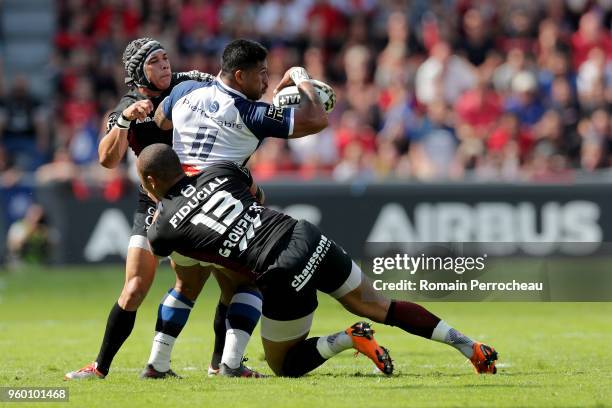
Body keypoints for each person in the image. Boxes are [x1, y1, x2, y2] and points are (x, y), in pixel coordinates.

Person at [137, 144, 499, 377]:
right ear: (181, 168)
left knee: (284, 364)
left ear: (151, 181)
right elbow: (256, 195)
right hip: (305, 235)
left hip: (279, 270)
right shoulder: (219, 170)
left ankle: (349, 338)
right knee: (380, 305)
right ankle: (468, 345)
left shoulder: (162, 227)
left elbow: (177, 262)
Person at [65, 38, 254, 380]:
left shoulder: (188, 81)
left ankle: (217, 364)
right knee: (136, 287)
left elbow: (233, 91)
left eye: (167, 57)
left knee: (230, 281)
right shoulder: (128, 106)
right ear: (139, 71)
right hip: (154, 203)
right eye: (156, 60)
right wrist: (123, 121)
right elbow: (107, 160)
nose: (166, 64)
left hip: (202, 197)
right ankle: (100, 366)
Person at [151, 38, 330, 375]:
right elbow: (317, 119)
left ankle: (157, 363)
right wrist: (301, 75)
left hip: (175, 211)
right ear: (239, 75)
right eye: (261, 74)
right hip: (219, 211)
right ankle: (230, 365)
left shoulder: (187, 90)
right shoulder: (253, 113)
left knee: (186, 287)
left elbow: (161, 121)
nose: (266, 81)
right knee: (250, 281)